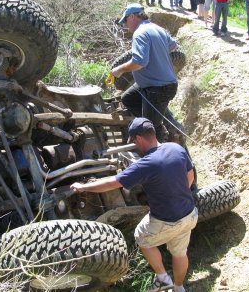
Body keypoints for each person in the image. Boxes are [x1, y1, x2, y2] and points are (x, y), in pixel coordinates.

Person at [70, 117, 198, 292]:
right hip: (189, 214)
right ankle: (179, 287)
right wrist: (176, 194)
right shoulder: (176, 148)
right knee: (180, 253)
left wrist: (82, 187)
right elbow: (190, 176)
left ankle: (162, 278)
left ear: (138, 138)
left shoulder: (145, 164)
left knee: (142, 238)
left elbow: (111, 183)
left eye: (134, 142)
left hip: (167, 220)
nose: (136, 146)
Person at [112, 3, 178, 142]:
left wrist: (119, 70)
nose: (125, 25)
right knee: (128, 99)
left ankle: (159, 138)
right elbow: (173, 46)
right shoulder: (157, 28)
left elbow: (139, 63)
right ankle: (151, 119)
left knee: (150, 129)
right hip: (158, 84)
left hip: (158, 88)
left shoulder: (139, 33)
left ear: (132, 17)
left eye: (125, 21)